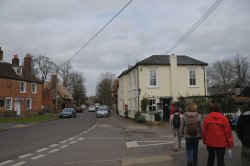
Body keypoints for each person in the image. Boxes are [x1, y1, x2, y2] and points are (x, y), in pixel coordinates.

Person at [181, 102, 203, 166]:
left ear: (188, 108)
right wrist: (202, 134)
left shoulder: (184, 115)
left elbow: (182, 126)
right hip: (196, 135)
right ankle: (195, 163)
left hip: (187, 135)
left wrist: (181, 134)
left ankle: (189, 163)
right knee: (195, 149)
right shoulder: (198, 115)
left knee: (189, 149)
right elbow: (202, 126)